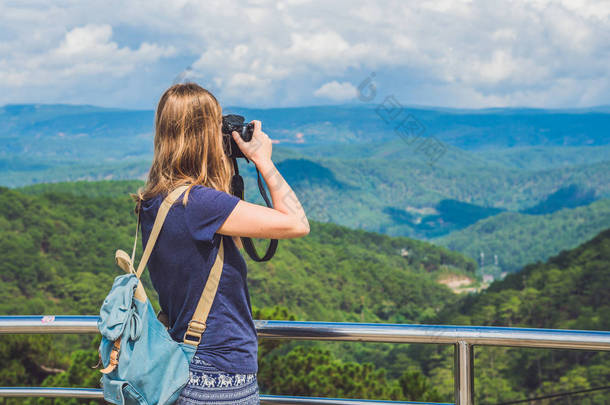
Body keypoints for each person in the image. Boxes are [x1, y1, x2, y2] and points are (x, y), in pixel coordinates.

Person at [132, 83, 310, 405]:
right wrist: (262, 161)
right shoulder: (200, 205)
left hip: (179, 368)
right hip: (219, 377)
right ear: (203, 135)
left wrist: (224, 169)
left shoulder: (154, 201)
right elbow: (297, 223)